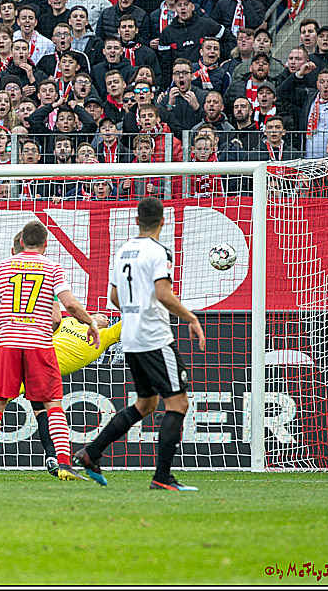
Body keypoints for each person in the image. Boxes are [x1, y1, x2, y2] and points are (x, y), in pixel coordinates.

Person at [73, 197, 206, 491]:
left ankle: (91, 452)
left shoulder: (123, 251)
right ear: (162, 222)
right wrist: (190, 318)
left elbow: (114, 298)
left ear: (136, 221)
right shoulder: (159, 252)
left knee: (147, 403)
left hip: (131, 337)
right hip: (155, 337)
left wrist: (134, 309)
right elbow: (163, 293)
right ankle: (162, 478)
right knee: (178, 402)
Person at [0, 221, 101, 480]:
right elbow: (69, 305)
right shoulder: (52, 268)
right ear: (46, 243)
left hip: (7, 344)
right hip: (39, 344)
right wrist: (91, 323)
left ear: (21, 242)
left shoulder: (2, 266)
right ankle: (63, 464)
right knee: (53, 405)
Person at [0, 311, 122, 475]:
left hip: (42, 371)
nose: (104, 317)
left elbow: (123, 328)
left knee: (10, 407)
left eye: (106, 317)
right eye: (100, 314)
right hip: (28, 358)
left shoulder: (103, 337)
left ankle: (50, 460)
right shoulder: (68, 322)